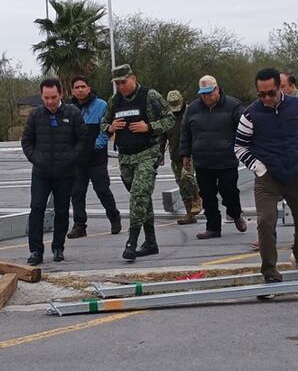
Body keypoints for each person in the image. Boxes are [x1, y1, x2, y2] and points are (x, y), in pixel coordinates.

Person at [235, 67, 298, 298]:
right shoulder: (250, 114)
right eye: (261, 95)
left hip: (297, 173)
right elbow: (240, 146)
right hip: (268, 177)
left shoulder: (297, 106)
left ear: (280, 88)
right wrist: (258, 167)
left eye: (271, 93)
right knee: (265, 221)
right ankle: (270, 274)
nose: (267, 99)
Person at [103, 64, 175, 262]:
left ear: (133, 78)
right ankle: (151, 241)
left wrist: (150, 126)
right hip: (125, 157)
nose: (121, 87)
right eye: (117, 84)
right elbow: (103, 124)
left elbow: (170, 119)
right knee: (142, 199)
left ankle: (131, 242)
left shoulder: (150, 96)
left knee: (138, 196)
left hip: (147, 153)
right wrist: (110, 128)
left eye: (124, 82)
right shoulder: (114, 101)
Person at [21, 78, 90, 265]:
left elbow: (83, 140)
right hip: (41, 173)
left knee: (61, 211)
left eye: (53, 97)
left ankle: (58, 247)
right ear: (41, 96)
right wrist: (36, 158)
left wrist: (71, 157)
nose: (50, 101)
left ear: (60, 94)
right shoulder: (35, 115)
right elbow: (26, 141)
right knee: (37, 209)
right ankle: (35, 250)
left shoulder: (73, 113)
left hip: (65, 173)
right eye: (46, 97)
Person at [180, 75, 247, 239]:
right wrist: (185, 155)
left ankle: (236, 214)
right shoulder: (193, 108)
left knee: (230, 192)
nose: (206, 97)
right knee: (207, 195)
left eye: (209, 93)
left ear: (217, 89)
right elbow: (185, 133)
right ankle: (213, 227)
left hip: (226, 161)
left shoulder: (233, 105)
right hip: (203, 161)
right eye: (203, 94)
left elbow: (246, 128)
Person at [66, 75, 122, 239]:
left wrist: (98, 145)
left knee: (102, 190)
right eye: (77, 87)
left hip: (96, 158)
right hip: (77, 160)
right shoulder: (70, 109)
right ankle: (80, 225)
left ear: (89, 88)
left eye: (83, 86)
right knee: (76, 193)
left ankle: (114, 217)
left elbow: (106, 128)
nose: (80, 89)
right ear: (73, 91)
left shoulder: (101, 105)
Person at [162, 90, 201, 226]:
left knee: (187, 177)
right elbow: (163, 136)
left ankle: (197, 197)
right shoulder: (168, 117)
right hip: (175, 155)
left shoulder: (191, 112)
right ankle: (189, 213)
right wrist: (161, 153)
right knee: (182, 184)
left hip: (190, 153)